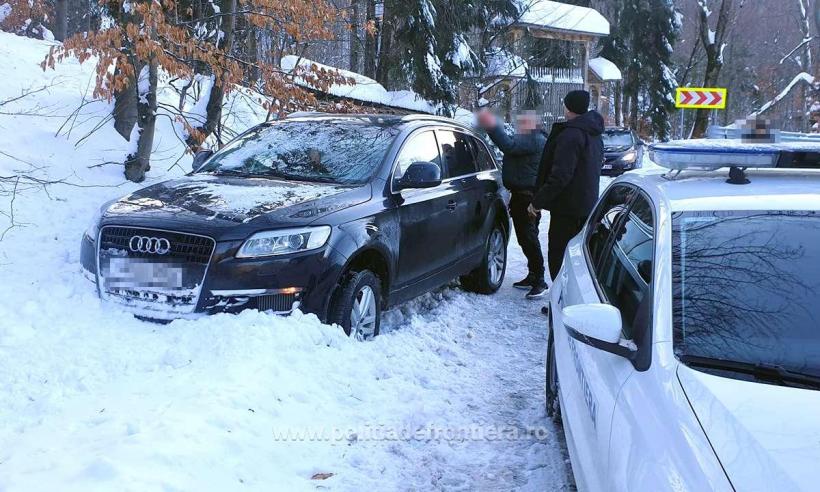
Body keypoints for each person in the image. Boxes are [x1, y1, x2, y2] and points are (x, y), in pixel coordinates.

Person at [530, 90, 604, 281]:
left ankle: (560, 301)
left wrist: (537, 202)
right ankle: (573, 302)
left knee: (559, 255)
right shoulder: (593, 133)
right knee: (578, 258)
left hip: (567, 210)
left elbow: (560, 176)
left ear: (569, 107)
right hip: (585, 207)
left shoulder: (571, 135)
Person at [477, 109, 548, 299]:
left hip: (527, 197)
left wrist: (491, 125)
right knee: (526, 238)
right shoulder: (530, 138)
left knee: (529, 238)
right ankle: (533, 275)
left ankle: (540, 280)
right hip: (522, 195)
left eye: (524, 121)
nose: (520, 125)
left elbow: (508, 145)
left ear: (533, 124)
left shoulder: (534, 139)